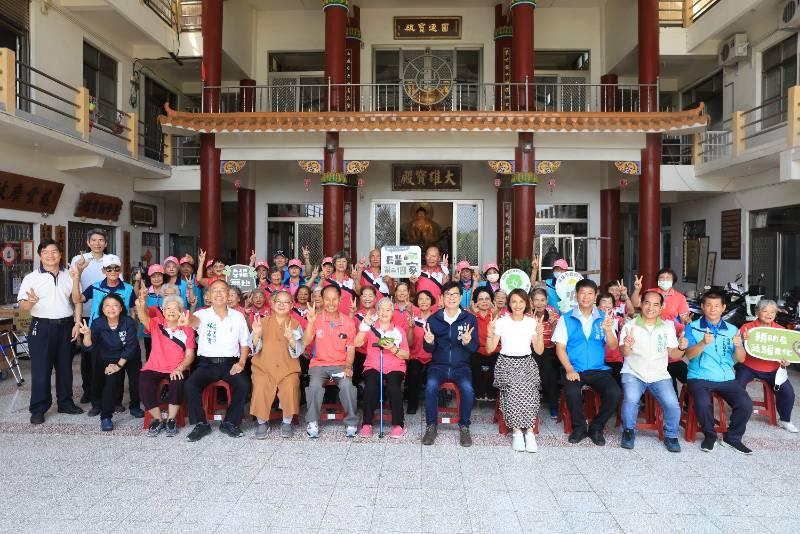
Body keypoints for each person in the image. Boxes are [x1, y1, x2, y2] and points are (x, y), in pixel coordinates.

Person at [19, 240, 84, 424]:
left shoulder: (69, 275)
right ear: (40, 255)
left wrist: (77, 323)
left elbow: (77, 300)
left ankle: (65, 403)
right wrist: (31, 302)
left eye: (54, 251)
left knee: (65, 368)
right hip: (41, 327)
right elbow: (23, 305)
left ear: (60, 254)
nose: (50, 255)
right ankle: (38, 408)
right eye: (46, 252)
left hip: (66, 325)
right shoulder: (31, 277)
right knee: (41, 369)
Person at [182, 279, 252, 442]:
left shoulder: (238, 316)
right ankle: (201, 423)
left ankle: (230, 422)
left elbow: (245, 343)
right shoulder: (201, 314)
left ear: (228, 295)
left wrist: (241, 363)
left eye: (223, 290)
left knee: (243, 384)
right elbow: (193, 321)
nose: (219, 293)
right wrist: (187, 319)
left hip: (230, 363)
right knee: (191, 385)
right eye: (215, 290)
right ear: (209, 295)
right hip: (207, 364)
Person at [552, 279, 620, 446]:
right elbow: (560, 348)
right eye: (582, 293)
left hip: (598, 369)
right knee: (572, 393)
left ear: (595, 296)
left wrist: (607, 330)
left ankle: (596, 427)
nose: (586, 297)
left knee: (615, 392)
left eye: (590, 293)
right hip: (574, 368)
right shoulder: (566, 319)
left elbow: (612, 345)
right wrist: (569, 369)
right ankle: (579, 428)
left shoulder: (604, 318)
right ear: (576, 295)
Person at [618, 290, 688, 452]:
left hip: (659, 374)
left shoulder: (667, 328)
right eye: (647, 303)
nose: (651, 308)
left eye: (656, 304)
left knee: (672, 405)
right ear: (641, 304)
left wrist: (681, 348)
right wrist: (627, 345)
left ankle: (671, 435)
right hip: (633, 372)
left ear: (662, 307)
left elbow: (673, 354)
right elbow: (624, 353)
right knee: (631, 399)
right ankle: (628, 431)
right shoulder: (630, 326)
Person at [683, 291, 752, 454]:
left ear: (724, 308)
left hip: (726, 377)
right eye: (708, 305)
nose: (712, 309)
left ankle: (732, 438)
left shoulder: (732, 329)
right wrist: (702, 343)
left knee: (745, 404)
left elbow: (741, 359)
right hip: (699, 375)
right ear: (702, 307)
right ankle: (710, 435)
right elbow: (690, 355)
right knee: (702, 403)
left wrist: (740, 346)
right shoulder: (692, 327)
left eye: (716, 306)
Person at [74, 254, 142, 418]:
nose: (113, 271)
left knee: (120, 370)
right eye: (109, 268)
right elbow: (77, 298)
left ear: (120, 270)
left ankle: (116, 402)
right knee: (97, 372)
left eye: (116, 268)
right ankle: (97, 404)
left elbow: (134, 309)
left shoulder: (127, 288)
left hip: (122, 331)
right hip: (99, 332)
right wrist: (76, 278)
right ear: (103, 270)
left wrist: (132, 325)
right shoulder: (96, 286)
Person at [486, 288, 544, 453]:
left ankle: (530, 433)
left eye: (521, 301)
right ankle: (518, 433)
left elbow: (539, 351)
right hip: (506, 364)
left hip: (526, 363)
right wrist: (490, 334)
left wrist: (539, 334)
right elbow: (490, 349)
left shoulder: (532, 322)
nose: (517, 305)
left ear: (526, 303)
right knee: (515, 390)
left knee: (531, 390)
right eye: (514, 301)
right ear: (509, 303)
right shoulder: (501, 321)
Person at [421, 281, 478, 447]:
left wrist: (468, 342)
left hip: (461, 367)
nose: (451, 298)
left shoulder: (469, 319)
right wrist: (430, 342)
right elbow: (427, 349)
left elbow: (474, 347)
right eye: (448, 294)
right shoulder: (434, 319)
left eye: (455, 294)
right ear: (442, 298)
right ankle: (431, 426)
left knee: (468, 389)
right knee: (430, 387)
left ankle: (464, 426)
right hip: (438, 365)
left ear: (461, 297)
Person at [301, 285, 359, 438]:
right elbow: (306, 341)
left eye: (334, 299)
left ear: (340, 300)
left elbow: (351, 347)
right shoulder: (317, 319)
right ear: (322, 300)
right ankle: (312, 421)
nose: (331, 303)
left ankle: (351, 421)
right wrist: (311, 322)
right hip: (319, 365)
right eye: (327, 299)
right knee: (313, 385)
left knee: (347, 385)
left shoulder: (348, 322)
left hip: (341, 364)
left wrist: (348, 366)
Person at [136, 293, 196, 437]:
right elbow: (144, 318)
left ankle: (171, 419)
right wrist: (140, 306)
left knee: (177, 381)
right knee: (144, 383)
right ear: (163, 311)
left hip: (176, 366)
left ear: (181, 311)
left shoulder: (187, 329)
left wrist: (180, 367)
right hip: (155, 366)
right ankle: (157, 419)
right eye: (167, 308)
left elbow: (190, 355)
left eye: (175, 308)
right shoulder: (156, 323)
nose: (170, 311)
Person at [79, 293, 139, 431]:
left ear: (121, 308)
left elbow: (131, 347)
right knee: (110, 383)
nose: (111, 308)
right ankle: (106, 417)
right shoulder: (98, 322)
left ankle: (135, 407)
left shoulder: (128, 322)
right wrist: (87, 335)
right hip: (109, 357)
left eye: (115, 305)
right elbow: (89, 346)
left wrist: (119, 365)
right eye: (107, 305)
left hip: (129, 357)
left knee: (135, 380)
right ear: (102, 308)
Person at [70, 228, 117, 405]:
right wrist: (80, 270)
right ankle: (88, 390)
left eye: (101, 240)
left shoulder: (112, 260)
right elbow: (74, 284)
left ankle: (107, 389)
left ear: (105, 243)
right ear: (88, 242)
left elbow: (116, 284)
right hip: (85, 313)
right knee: (87, 354)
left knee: (108, 352)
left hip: (108, 314)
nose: (98, 243)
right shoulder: (78, 260)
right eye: (94, 240)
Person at [250, 289, 305, 439]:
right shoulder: (261, 322)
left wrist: (291, 340)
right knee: (260, 385)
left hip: (288, 368)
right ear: (272, 304)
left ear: (291, 305)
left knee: (290, 385)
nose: (281, 305)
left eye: (285, 302)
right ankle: (262, 422)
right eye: (278, 302)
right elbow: (254, 348)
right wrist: (256, 334)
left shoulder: (295, 324)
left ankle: (286, 422)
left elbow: (298, 351)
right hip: (263, 367)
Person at [737, 299, 798, 433]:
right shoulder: (748, 328)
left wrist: (787, 362)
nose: (769, 314)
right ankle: (738, 416)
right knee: (737, 387)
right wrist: (742, 339)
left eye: (772, 312)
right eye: (765, 311)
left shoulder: (781, 331)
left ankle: (785, 420)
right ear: (757, 312)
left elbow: (787, 352)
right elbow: (736, 347)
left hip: (772, 369)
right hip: (748, 366)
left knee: (788, 392)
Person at [354, 297, 410, 439]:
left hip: (395, 366)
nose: (384, 312)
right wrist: (364, 326)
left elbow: (407, 355)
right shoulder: (370, 327)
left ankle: (398, 424)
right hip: (373, 364)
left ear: (392, 312)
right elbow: (357, 342)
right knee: (371, 387)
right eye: (381, 309)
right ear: (377, 311)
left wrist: (393, 349)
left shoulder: (398, 330)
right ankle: (366, 423)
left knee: (393, 388)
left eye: (388, 309)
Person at [530, 287, 561, 419]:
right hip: (531, 349)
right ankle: (530, 404)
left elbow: (556, 340)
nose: (539, 303)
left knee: (549, 370)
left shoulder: (553, 313)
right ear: (531, 302)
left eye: (542, 300)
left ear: (547, 301)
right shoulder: (527, 315)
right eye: (536, 300)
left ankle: (553, 405)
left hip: (549, 349)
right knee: (531, 368)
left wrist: (554, 326)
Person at [406, 290, 434, 415]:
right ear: (416, 302)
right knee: (413, 372)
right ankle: (412, 405)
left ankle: (432, 407)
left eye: (427, 299)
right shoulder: (413, 319)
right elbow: (410, 343)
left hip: (432, 357)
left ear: (431, 301)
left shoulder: (437, 319)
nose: (424, 302)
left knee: (432, 376)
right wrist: (411, 328)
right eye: (421, 299)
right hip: (415, 356)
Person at [471, 286, 498, 401]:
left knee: (498, 362)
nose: (484, 301)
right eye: (481, 299)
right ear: (476, 302)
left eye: (487, 299)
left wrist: (496, 315)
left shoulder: (496, 317)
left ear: (491, 301)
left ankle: (492, 393)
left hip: (493, 349)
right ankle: (479, 393)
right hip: (477, 350)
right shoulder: (471, 317)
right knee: (473, 361)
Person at [597, 292, 624, 385]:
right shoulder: (593, 320)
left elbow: (623, 325)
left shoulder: (618, 319)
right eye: (603, 302)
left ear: (613, 305)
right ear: (598, 305)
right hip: (598, 360)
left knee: (616, 385)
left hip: (615, 359)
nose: (607, 305)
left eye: (609, 302)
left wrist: (625, 324)